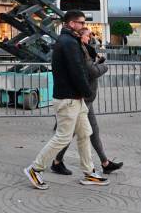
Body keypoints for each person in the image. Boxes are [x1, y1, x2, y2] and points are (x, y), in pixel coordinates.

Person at [23, 10, 109, 190]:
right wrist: (86, 92)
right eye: (81, 22)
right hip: (68, 99)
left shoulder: (70, 41)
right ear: (71, 24)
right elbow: (77, 71)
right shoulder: (68, 42)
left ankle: (89, 172)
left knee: (85, 133)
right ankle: (35, 169)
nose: (84, 26)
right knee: (63, 137)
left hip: (76, 99)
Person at [51, 27, 123, 176]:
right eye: (87, 35)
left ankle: (104, 163)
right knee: (69, 134)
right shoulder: (79, 50)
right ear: (80, 36)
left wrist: (97, 63)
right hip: (82, 97)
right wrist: (104, 66)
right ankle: (51, 163)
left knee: (92, 132)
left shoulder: (86, 49)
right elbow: (91, 71)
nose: (89, 38)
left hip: (86, 98)